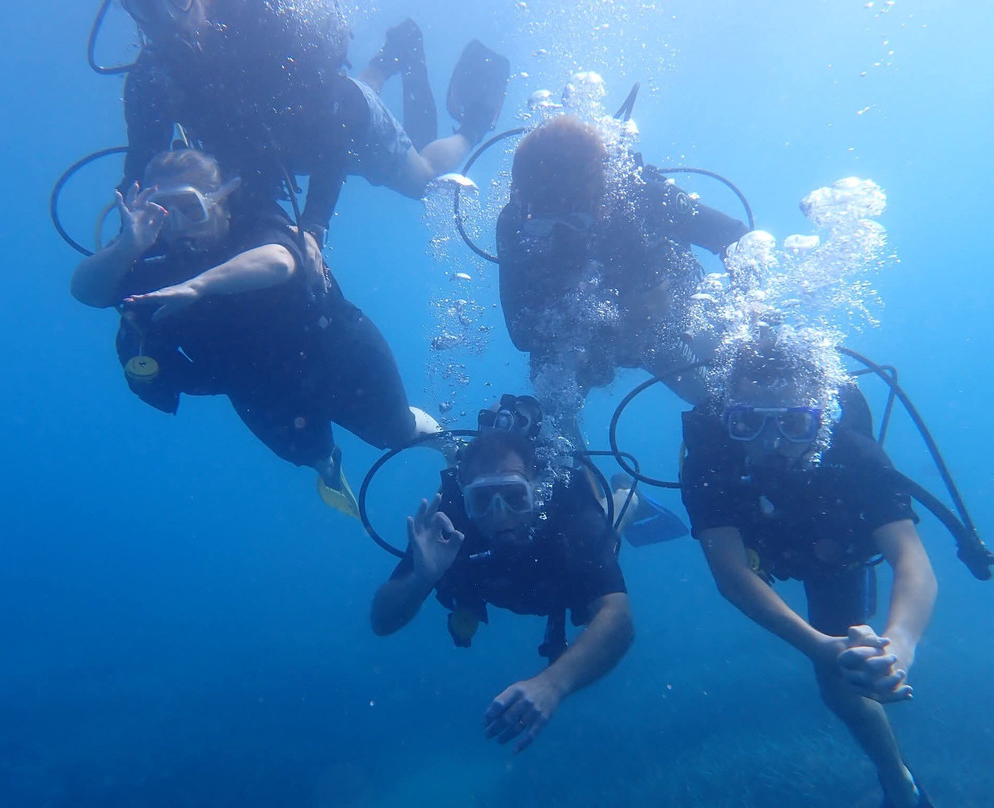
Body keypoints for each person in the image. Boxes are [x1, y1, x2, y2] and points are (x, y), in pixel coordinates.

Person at [70, 148, 438, 516]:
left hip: (333, 349)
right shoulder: (152, 255)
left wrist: (200, 285)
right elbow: (86, 292)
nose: (178, 225)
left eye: (189, 207)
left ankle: (450, 446)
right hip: (255, 382)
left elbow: (280, 260)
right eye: (162, 214)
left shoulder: (255, 220)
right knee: (310, 454)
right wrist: (127, 247)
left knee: (397, 433)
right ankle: (328, 463)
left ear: (221, 201)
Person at [679, 341, 938, 808]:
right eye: (749, 423)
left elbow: (912, 561)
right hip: (761, 554)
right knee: (831, 663)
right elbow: (732, 573)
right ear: (728, 416)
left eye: (795, 423)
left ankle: (898, 781)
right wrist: (818, 645)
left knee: (840, 686)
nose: (771, 442)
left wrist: (899, 645)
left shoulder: (855, 455)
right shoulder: (710, 459)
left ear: (820, 417)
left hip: (834, 561)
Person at [119, 0, 509, 243]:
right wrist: (127, 239)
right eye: (144, 6)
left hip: (347, 121)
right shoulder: (150, 82)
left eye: (176, 1)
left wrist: (316, 221)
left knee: (423, 179)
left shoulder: (263, 22)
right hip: (285, 138)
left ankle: (473, 124)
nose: (165, 18)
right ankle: (392, 55)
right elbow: (142, 165)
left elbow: (330, 123)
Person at [370, 397, 634, 753]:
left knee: (610, 521)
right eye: (481, 500)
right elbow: (381, 621)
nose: (499, 515)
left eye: (514, 496)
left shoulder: (565, 506)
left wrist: (553, 683)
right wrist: (421, 578)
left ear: (535, 488)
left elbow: (618, 620)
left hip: (567, 555)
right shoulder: (448, 520)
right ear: (464, 495)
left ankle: (626, 493)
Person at [496, 115, 750, 413]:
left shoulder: (644, 195)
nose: (564, 237)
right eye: (543, 224)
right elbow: (522, 334)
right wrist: (592, 330)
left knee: (727, 397)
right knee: (550, 407)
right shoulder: (514, 223)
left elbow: (734, 236)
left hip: (667, 321)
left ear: (602, 198)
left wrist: (747, 309)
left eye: (577, 221)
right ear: (522, 200)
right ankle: (562, 457)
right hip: (579, 339)